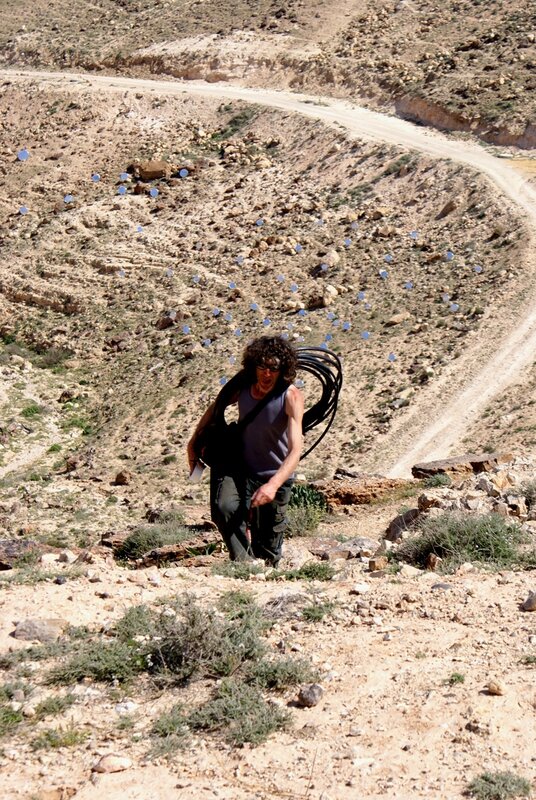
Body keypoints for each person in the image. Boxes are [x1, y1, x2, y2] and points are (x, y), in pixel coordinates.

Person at [187, 336, 304, 566]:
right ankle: (244, 564)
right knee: (224, 508)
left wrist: (272, 485)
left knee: (268, 551)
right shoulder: (242, 388)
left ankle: (264, 572)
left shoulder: (290, 396)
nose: (267, 374)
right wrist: (194, 442)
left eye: (273, 368)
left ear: (282, 370)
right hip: (242, 469)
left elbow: (295, 450)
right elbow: (217, 406)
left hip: (275, 476)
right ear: (254, 366)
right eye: (262, 367)